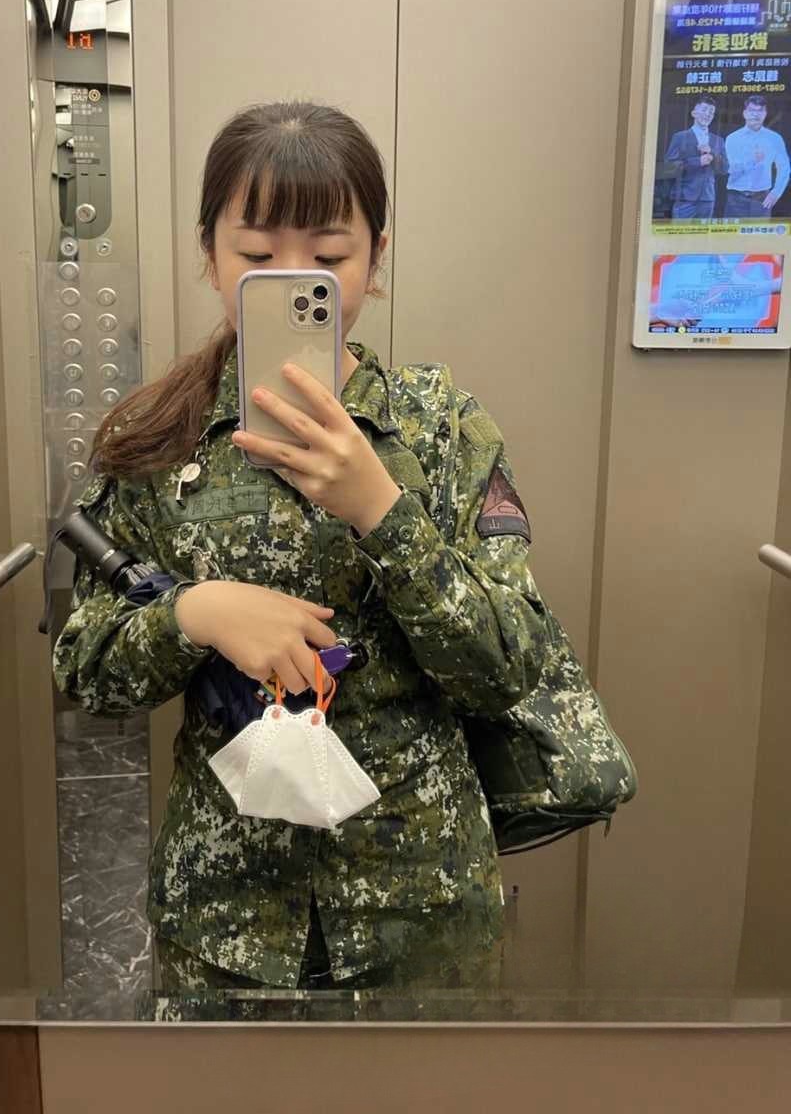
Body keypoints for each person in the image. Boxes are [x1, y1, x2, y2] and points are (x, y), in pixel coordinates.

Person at [52, 100, 562, 1006]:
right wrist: (193, 614)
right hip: (226, 913)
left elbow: (507, 665)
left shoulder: (439, 429)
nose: (293, 277)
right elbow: (85, 672)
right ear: (208, 253)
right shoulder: (156, 438)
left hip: (420, 908)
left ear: (376, 257)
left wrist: (381, 510)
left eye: (328, 257)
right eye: (256, 255)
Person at [662, 95, 728, 222]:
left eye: (711, 112)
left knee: (703, 235)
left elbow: (725, 168)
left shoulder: (718, 141)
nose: (707, 114)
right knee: (680, 235)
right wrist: (697, 162)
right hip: (684, 198)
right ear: (694, 113)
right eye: (704, 110)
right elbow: (668, 168)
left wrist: (712, 153)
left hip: (707, 199)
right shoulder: (680, 137)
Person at [724, 95, 790, 219]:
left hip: (762, 199)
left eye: (760, 111)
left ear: (765, 114)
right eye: (752, 110)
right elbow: (731, 169)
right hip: (736, 198)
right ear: (744, 113)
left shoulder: (774, 138)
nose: (756, 114)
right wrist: (752, 161)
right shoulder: (733, 138)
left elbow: (784, 167)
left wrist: (776, 192)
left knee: (760, 232)